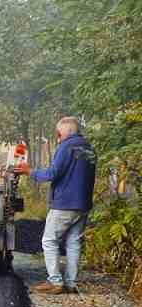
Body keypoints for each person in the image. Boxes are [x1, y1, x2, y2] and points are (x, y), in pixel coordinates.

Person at [25, 116, 97, 295]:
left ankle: (56, 282)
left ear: (64, 132)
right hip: (83, 204)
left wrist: (30, 171)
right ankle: (71, 283)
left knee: (49, 240)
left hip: (65, 203)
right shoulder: (89, 148)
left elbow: (52, 173)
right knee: (74, 243)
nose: (57, 136)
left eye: (58, 133)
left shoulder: (66, 147)